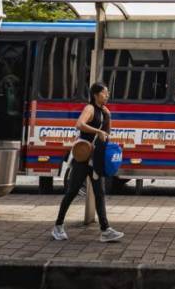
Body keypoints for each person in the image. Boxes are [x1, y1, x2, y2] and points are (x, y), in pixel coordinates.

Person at [52, 82, 125, 243]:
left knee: (99, 193)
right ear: (96, 95)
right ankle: (58, 226)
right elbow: (79, 124)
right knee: (72, 191)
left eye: (107, 93)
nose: (107, 95)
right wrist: (97, 130)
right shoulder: (90, 109)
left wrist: (109, 117)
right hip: (83, 158)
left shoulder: (104, 111)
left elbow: (107, 134)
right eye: (104, 93)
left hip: (96, 159)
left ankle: (105, 230)